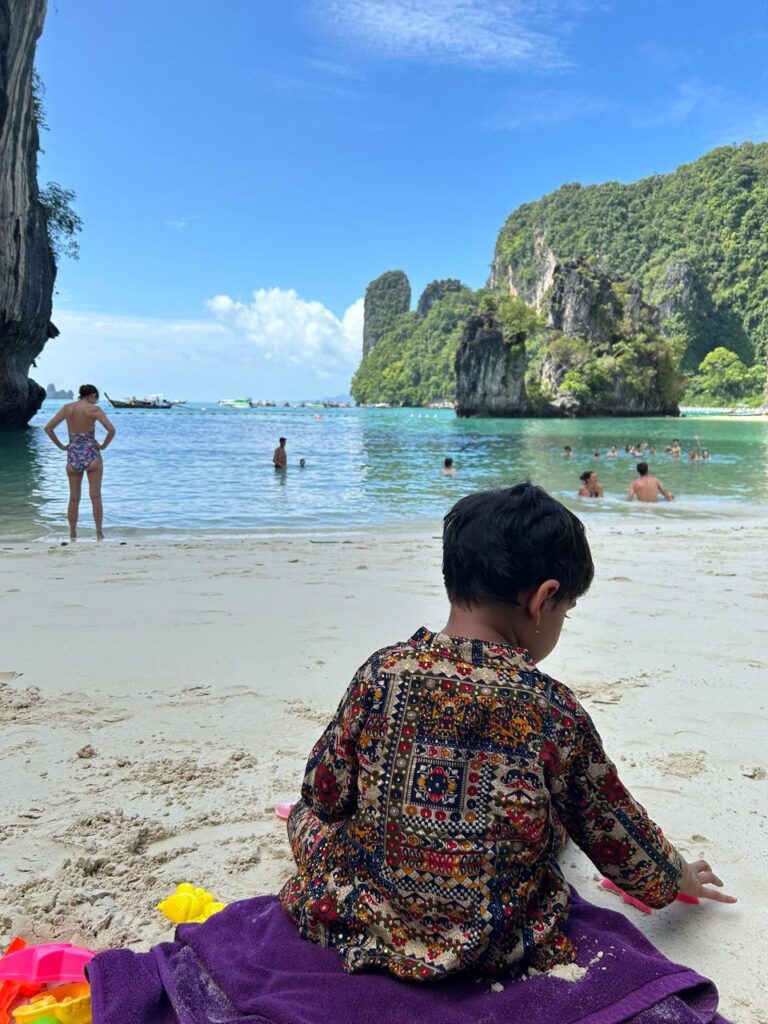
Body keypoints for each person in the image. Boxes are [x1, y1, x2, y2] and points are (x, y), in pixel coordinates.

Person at [279, 484, 732, 983]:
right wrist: (677, 875)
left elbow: (323, 794)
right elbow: (615, 831)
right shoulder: (550, 707)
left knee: (305, 817)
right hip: (495, 939)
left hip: (368, 917)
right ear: (543, 599)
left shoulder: (380, 673)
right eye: (565, 613)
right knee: (551, 815)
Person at [43, 384, 116, 540]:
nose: (96, 400)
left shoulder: (67, 408)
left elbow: (48, 428)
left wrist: (61, 446)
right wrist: (103, 445)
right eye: (96, 397)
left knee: (73, 498)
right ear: (92, 395)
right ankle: (99, 533)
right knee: (95, 496)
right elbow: (111, 430)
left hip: (73, 455)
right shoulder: (94, 410)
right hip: (92, 454)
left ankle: (72, 534)